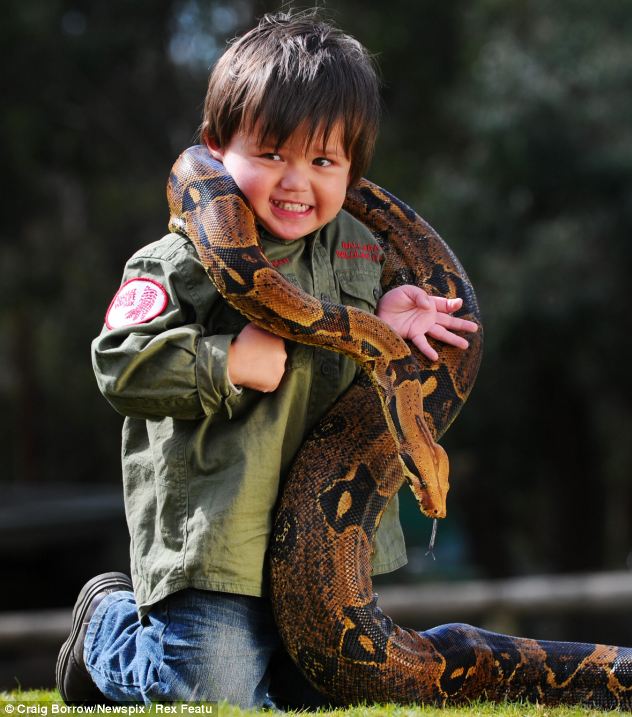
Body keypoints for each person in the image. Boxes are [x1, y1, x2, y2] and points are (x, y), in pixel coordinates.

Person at [56, 9, 478, 708]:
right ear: (216, 151)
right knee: (213, 692)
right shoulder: (178, 260)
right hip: (215, 542)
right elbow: (117, 362)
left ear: (353, 172)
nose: (295, 181)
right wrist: (225, 363)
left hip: (313, 557)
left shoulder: (363, 254)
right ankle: (105, 627)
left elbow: (368, 344)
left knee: (321, 692)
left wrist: (396, 315)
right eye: (272, 153)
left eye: (323, 161)